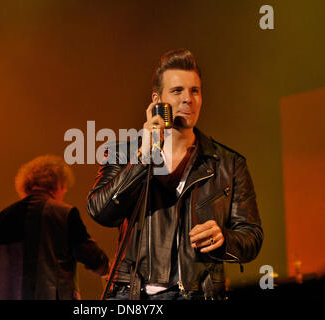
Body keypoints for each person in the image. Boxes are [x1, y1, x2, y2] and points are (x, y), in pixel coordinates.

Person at [87, 49, 263, 300]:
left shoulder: (229, 163)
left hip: (198, 293)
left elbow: (251, 237)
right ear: (157, 100)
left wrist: (223, 240)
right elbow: (101, 211)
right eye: (177, 91)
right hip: (133, 296)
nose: (188, 99)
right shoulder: (124, 153)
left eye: (195, 91)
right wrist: (143, 158)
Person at [0, 154, 109, 300]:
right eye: (64, 189)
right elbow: (92, 257)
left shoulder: (0, 219)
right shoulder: (64, 213)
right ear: (58, 185)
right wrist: (108, 269)